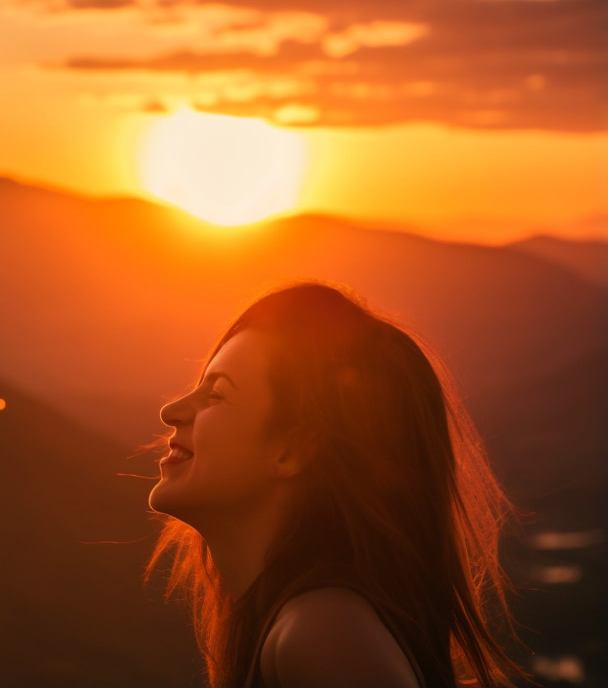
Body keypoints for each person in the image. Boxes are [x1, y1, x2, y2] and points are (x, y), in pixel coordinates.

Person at [147, 282, 521, 688]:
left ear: (293, 451)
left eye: (216, 394)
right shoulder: (309, 622)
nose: (171, 410)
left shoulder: (318, 631)